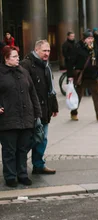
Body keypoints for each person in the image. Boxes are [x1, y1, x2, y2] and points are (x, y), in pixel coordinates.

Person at [0, 46, 42, 187]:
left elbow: (33, 94)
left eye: (18, 56)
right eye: (14, 56)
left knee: (23, 149)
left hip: (26, 118)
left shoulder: (23, 72)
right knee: (9, 150)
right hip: (8, 118)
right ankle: (10, 176)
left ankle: (22, 174)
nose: (17, 58)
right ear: (6, 58)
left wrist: (37, 114)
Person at [20, 40, 59, 175]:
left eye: (48, 50)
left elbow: (50, 88)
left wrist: (54, 106)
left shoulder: (46, 65)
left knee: (42, 138)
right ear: (36, 50)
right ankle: (19, 166)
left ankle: (38, 165)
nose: (47, 53)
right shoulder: (26, 64)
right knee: (30, 140)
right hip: (32, 110)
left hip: (44, 109)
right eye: (44, 51)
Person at [68, 29, 98, 122]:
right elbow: (71, 62)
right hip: (82, 76)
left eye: (91, 38)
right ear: (84, 39)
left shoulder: (94, 47)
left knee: (96, 95)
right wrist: (70, 75)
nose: (90, 40)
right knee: (78, 95)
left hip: (93, 75)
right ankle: (74, 113)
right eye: (88, 38)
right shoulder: (78, 47)